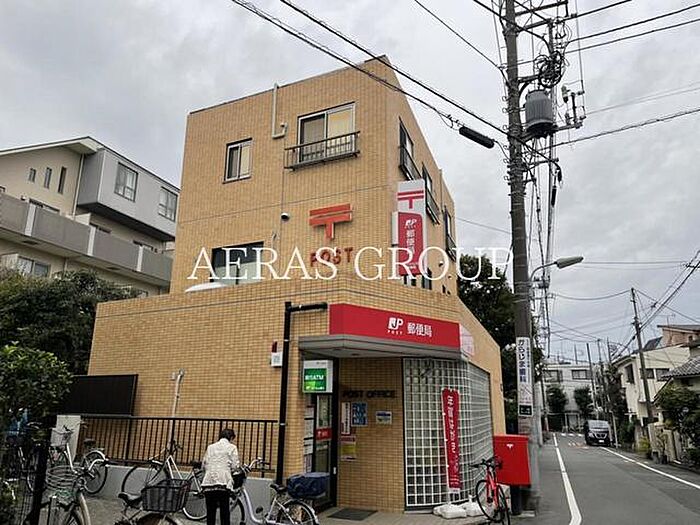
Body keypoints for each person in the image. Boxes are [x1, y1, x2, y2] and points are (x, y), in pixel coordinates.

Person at [202, 428, 240, 525]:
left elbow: (204, 464)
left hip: (208, 482)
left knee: (210, 513)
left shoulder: (210, 447)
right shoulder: (232, 447)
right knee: (224, 512)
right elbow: (235, 466)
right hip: (223, 483)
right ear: (231, 438)